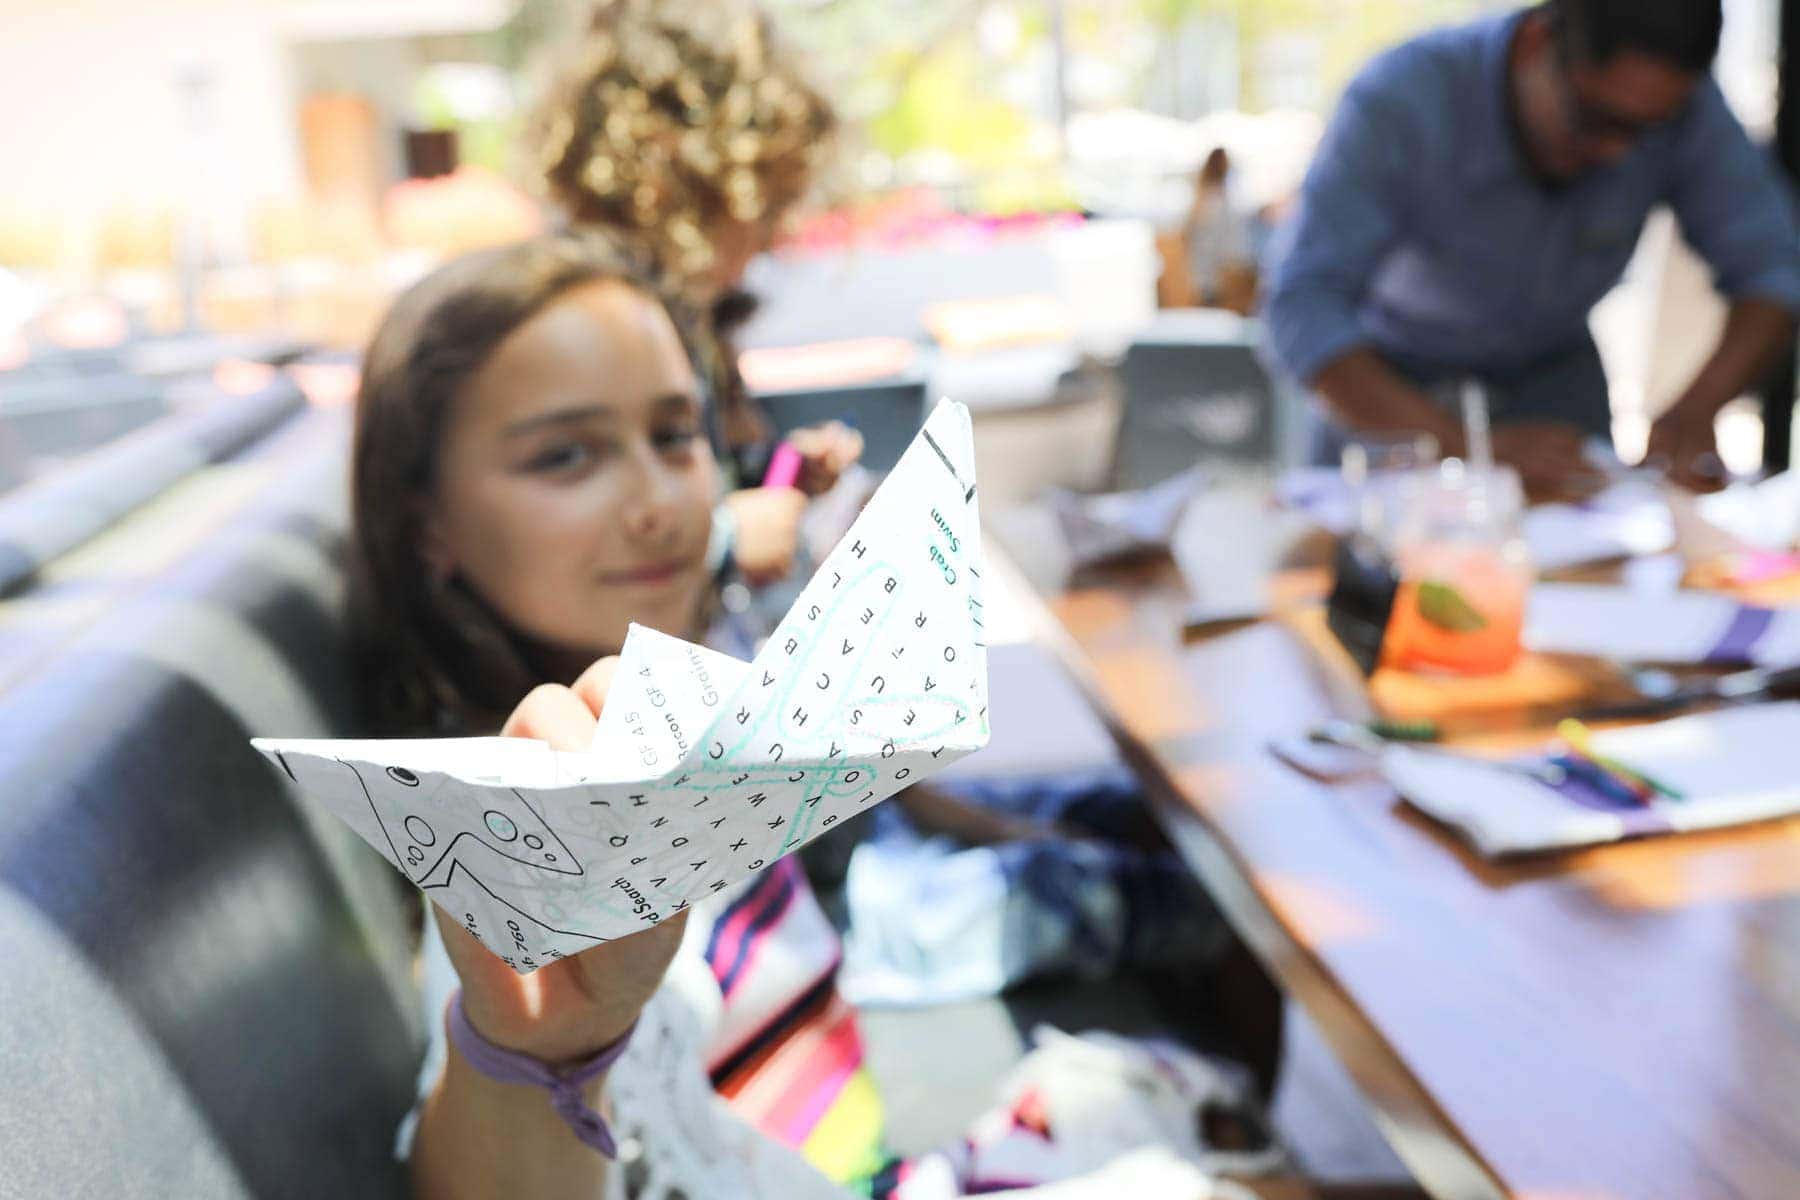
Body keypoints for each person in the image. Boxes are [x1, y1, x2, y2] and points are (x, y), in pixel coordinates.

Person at [351, 233, 1258, 1200]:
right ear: (428, 524)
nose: (660, 503)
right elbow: (488, 1121)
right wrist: (538, 1051)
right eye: (566, 456)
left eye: (673, 434)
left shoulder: (674, 689)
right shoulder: (512, 831)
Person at [1263, 0, 1800, 496]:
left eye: (1643, 132)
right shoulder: (1402, 97)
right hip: (1393, 403)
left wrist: (1694, 411)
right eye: (1596, 120)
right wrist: (1461, 446)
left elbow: (1774, 270)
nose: (1616, 153)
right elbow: (1301, 305)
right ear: (1534, 45)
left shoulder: (1681, 106)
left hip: (1559, 398)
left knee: (1591, 586)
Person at [529, 0, 863, 586]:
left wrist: (777, 477)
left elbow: (699, 480)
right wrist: (724, 540)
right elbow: (571, 544)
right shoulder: (582, 332)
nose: (774, 238)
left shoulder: (687, 320)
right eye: (766, 207)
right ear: (679, 181)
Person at [1178, 148, 1257, 315]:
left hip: (1202, 279)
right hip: (1219, 280)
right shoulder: (1222, 203)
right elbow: (1233, 247)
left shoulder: (1200, 200)